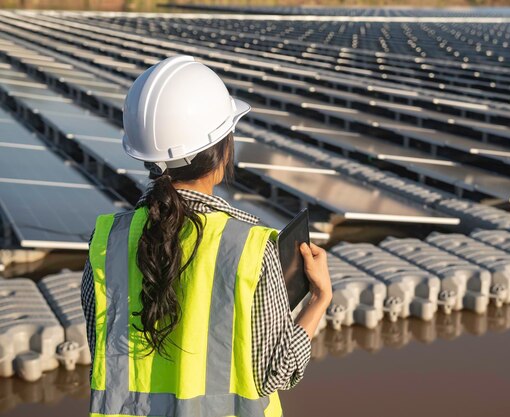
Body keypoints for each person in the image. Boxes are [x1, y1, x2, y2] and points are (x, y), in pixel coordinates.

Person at [80, 55, 332, 417]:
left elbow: (104, 352)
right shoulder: (248, 247)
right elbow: (279, 370)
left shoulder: (106, 241)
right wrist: (319, 299)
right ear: (222, 150)